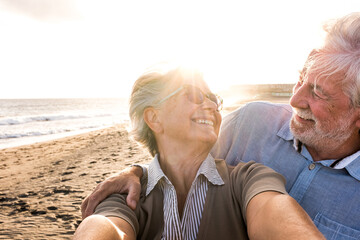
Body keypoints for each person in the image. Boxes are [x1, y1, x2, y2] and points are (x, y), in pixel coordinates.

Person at [82, 12, 360, 239]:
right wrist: (137, 172)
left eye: (318, 93)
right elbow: (177, 162)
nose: (294, 99)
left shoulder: (250, 178)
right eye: (300, 79)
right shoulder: (250, 124)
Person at [73, 64, 324, 240]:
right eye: (193, 95)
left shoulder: (248, 178)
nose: (211, 105)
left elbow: (273, 212)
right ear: (154, 118)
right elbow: (108, 227)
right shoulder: (128, 193)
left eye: (213, 98)